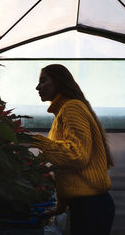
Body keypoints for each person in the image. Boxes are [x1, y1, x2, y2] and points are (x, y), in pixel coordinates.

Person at [31, 64, 115, 235]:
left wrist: (34, 141)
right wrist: (60, 207)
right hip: (87, 205)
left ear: (59, 82)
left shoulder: (71, 107)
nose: (37, 87)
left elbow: (77, 156)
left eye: (43, 81)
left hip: (92, 207)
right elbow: (68, 172)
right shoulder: (63, 111)